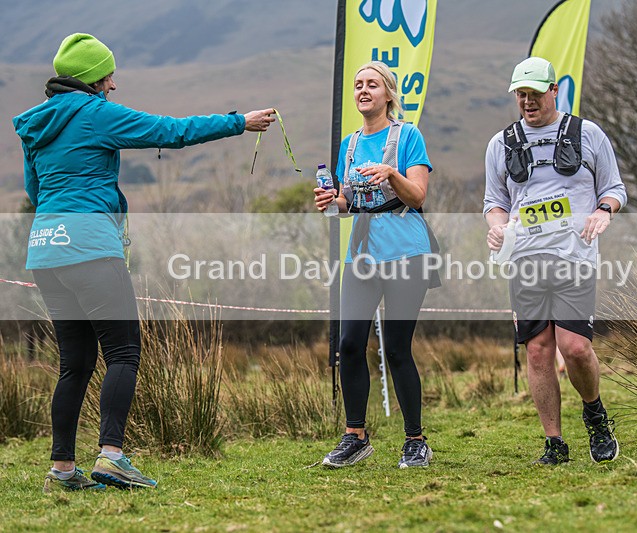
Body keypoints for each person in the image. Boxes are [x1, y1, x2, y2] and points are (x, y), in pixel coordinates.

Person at [12, 33, 276, 492]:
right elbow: (170, 131)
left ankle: (63, 469)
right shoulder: (94, 114)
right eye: (108, 76)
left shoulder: (36, 125)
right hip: (90, 247)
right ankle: (112, 456)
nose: (113, 84)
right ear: (92, 79)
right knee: (124, 351)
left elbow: (35, 193)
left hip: (46, 250)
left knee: (75, 363)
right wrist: (239, 122)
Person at [483, 57, 626, 465]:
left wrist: (603, 211)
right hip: (525, 259)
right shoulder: (501, 144)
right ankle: (554, 443)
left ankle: (595, 414)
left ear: (553, 90)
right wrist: (497, 227)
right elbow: (495, 201)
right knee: (538, 351)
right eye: (520, 94)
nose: (527, 102)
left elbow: (614, 188)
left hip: (573, 256)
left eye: (534, 93)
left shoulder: (588, 134)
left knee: (575, 347)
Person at [313, 61, 434, 469]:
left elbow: (417, 196)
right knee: (348, 344)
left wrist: (391, 173)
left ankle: (415, 441)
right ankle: (355, 437)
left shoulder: (408, 136)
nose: (363, 90)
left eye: (372, 84)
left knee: (397, 349)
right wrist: (331, 202)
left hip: (406, 252)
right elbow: (348, 202)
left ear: (388, 94)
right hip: (361, 255)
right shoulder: (349, 145)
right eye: (358, 85)